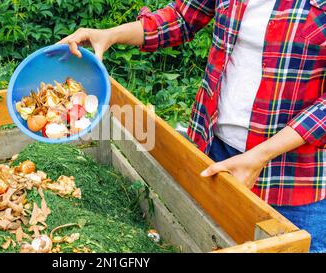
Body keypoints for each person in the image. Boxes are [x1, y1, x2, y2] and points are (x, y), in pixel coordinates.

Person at [58, 0, 326, 252]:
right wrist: (110, 34)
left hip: (291, 176)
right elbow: (181, 17)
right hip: (213, 149)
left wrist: (260, 155)